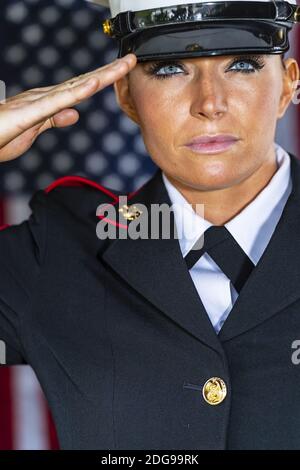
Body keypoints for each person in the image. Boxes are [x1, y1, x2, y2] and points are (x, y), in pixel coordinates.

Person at [1, 0, 300, 450]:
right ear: (126, 97)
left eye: (241, 64)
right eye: (169, 68)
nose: (209, 104)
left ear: (287, 87)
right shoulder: (61, 250)